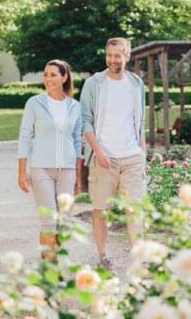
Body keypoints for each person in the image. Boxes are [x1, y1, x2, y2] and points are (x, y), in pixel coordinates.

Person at [80, 38, 146, 270]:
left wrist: (142, 153)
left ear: (127, 56)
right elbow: (85, 121)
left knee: (134, 210)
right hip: (103, 159)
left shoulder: (136, 83)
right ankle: (103, 256)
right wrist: (98, 152)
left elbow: (140, 123)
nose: (112, 60)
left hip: (131, 158)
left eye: (117, 55)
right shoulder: (94, 84)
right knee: (101, 211)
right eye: (109, 55)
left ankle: (138, 259)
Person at [18, 59, 82, 260]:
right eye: (46, 74)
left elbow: (77, 141)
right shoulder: (34, 103)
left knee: (63, 222)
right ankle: (51, 271)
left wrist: (79, 175)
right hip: (41, 169)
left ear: (64, 77)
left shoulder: (75, 106)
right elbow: (25, 136)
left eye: (53, 75)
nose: (48, 79)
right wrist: (22, 171)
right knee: (48, 221)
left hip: (67, 170)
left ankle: (52, 262)